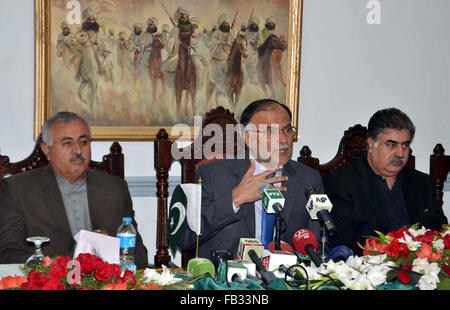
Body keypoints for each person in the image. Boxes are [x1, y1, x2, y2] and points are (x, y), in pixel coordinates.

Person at [0, 112, 148, 269]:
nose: (78, 150)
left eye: (83, 142)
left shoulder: (115, 188)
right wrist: (53, 267)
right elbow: (7, 253)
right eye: (67, 143)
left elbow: (136, 253)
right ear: (46, 149)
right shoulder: (17, 190)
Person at [179, 99, 323, 260]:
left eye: (287, 130)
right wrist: (235, 199)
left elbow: (319, 243)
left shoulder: (308, 178)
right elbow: (186, 239)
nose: (283, 140)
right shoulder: (213, 175)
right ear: (248, 138)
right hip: (229, 280)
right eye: (270, 131)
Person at [325, 108, 448, 254]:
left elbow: (440, 234)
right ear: (371, 144)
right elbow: (342, 246)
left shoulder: (422, 183)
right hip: (367, 271)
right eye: (391, 145)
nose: (400, 153)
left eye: (405, 145)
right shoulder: (342, 184)